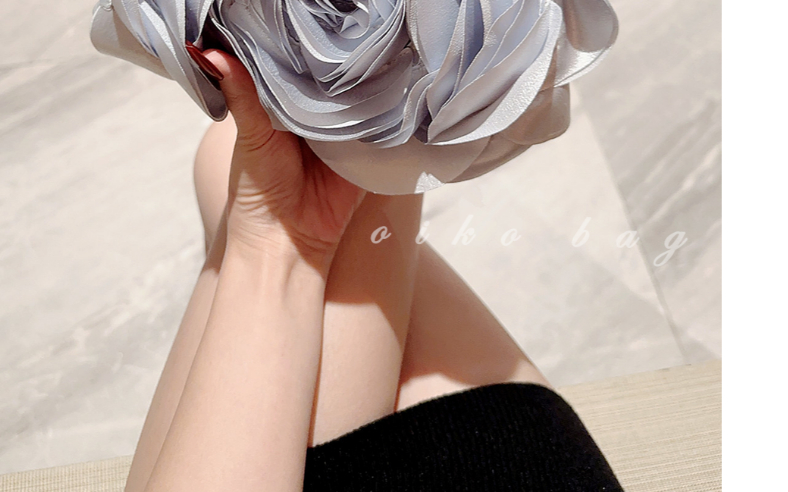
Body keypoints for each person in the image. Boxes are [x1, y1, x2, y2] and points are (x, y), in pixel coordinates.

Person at [123, 47, 625, 492]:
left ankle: (385, 66)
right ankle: (391, 62)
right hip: (503, 454)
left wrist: (272, 245)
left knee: (240, 157)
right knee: (343, 140)